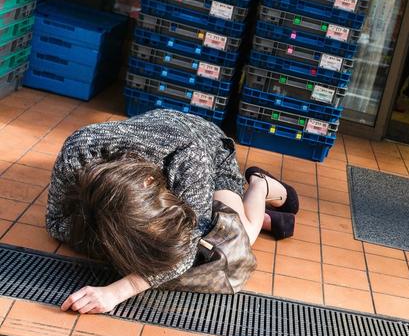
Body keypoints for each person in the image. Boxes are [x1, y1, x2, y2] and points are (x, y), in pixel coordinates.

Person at [46, 109, 299, 314]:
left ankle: (260, 184)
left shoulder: (191, 157)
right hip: (157, 144)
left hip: (207, 146)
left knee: (240, 237)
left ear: (149, 182)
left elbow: (189, 246)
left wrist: (117, 291)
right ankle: (251, 212)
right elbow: (55, 223)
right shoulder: (77, 153)